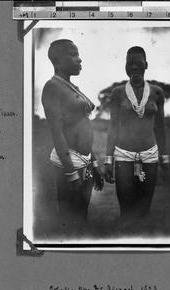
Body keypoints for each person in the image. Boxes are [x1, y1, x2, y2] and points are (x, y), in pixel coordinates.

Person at [104, 46, 170, 231]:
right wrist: (108, 160)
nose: (133, 66)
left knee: (144, 209)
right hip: (123, 156)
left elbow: (160, 127)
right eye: (129, 62)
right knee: (126, 211)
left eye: (138, 62)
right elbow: (113, 126)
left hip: (149, 156)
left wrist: (164, 159)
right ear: (125, 66)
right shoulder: (117, 93)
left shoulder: (157, 93)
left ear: (146, 64)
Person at [42, 39, 104, 234]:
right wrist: (71, 173)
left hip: (84, 161)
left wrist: (94, 165)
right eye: (73, 54)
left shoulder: (71, 87)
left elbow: (82, 129)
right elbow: (57, 133)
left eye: (78, 54)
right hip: (67, 163)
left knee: (82, 217)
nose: (79, 59)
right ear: (57, 61)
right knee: (70, 220)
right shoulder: (52, 87)